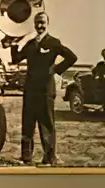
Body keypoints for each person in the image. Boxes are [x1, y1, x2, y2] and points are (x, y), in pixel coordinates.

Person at [14, 11, 77, 166]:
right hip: (30, 90)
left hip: (45, 90)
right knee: (27, 124)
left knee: (46, 125)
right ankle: (26, 157)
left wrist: (55, 69)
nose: (40, 25)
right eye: (37, 22)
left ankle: (49, 159)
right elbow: (16, 59)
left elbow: (72, 57)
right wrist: (14, 43)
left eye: (42, 22)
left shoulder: (54, 42)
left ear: (47, 24)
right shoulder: (30, 44)